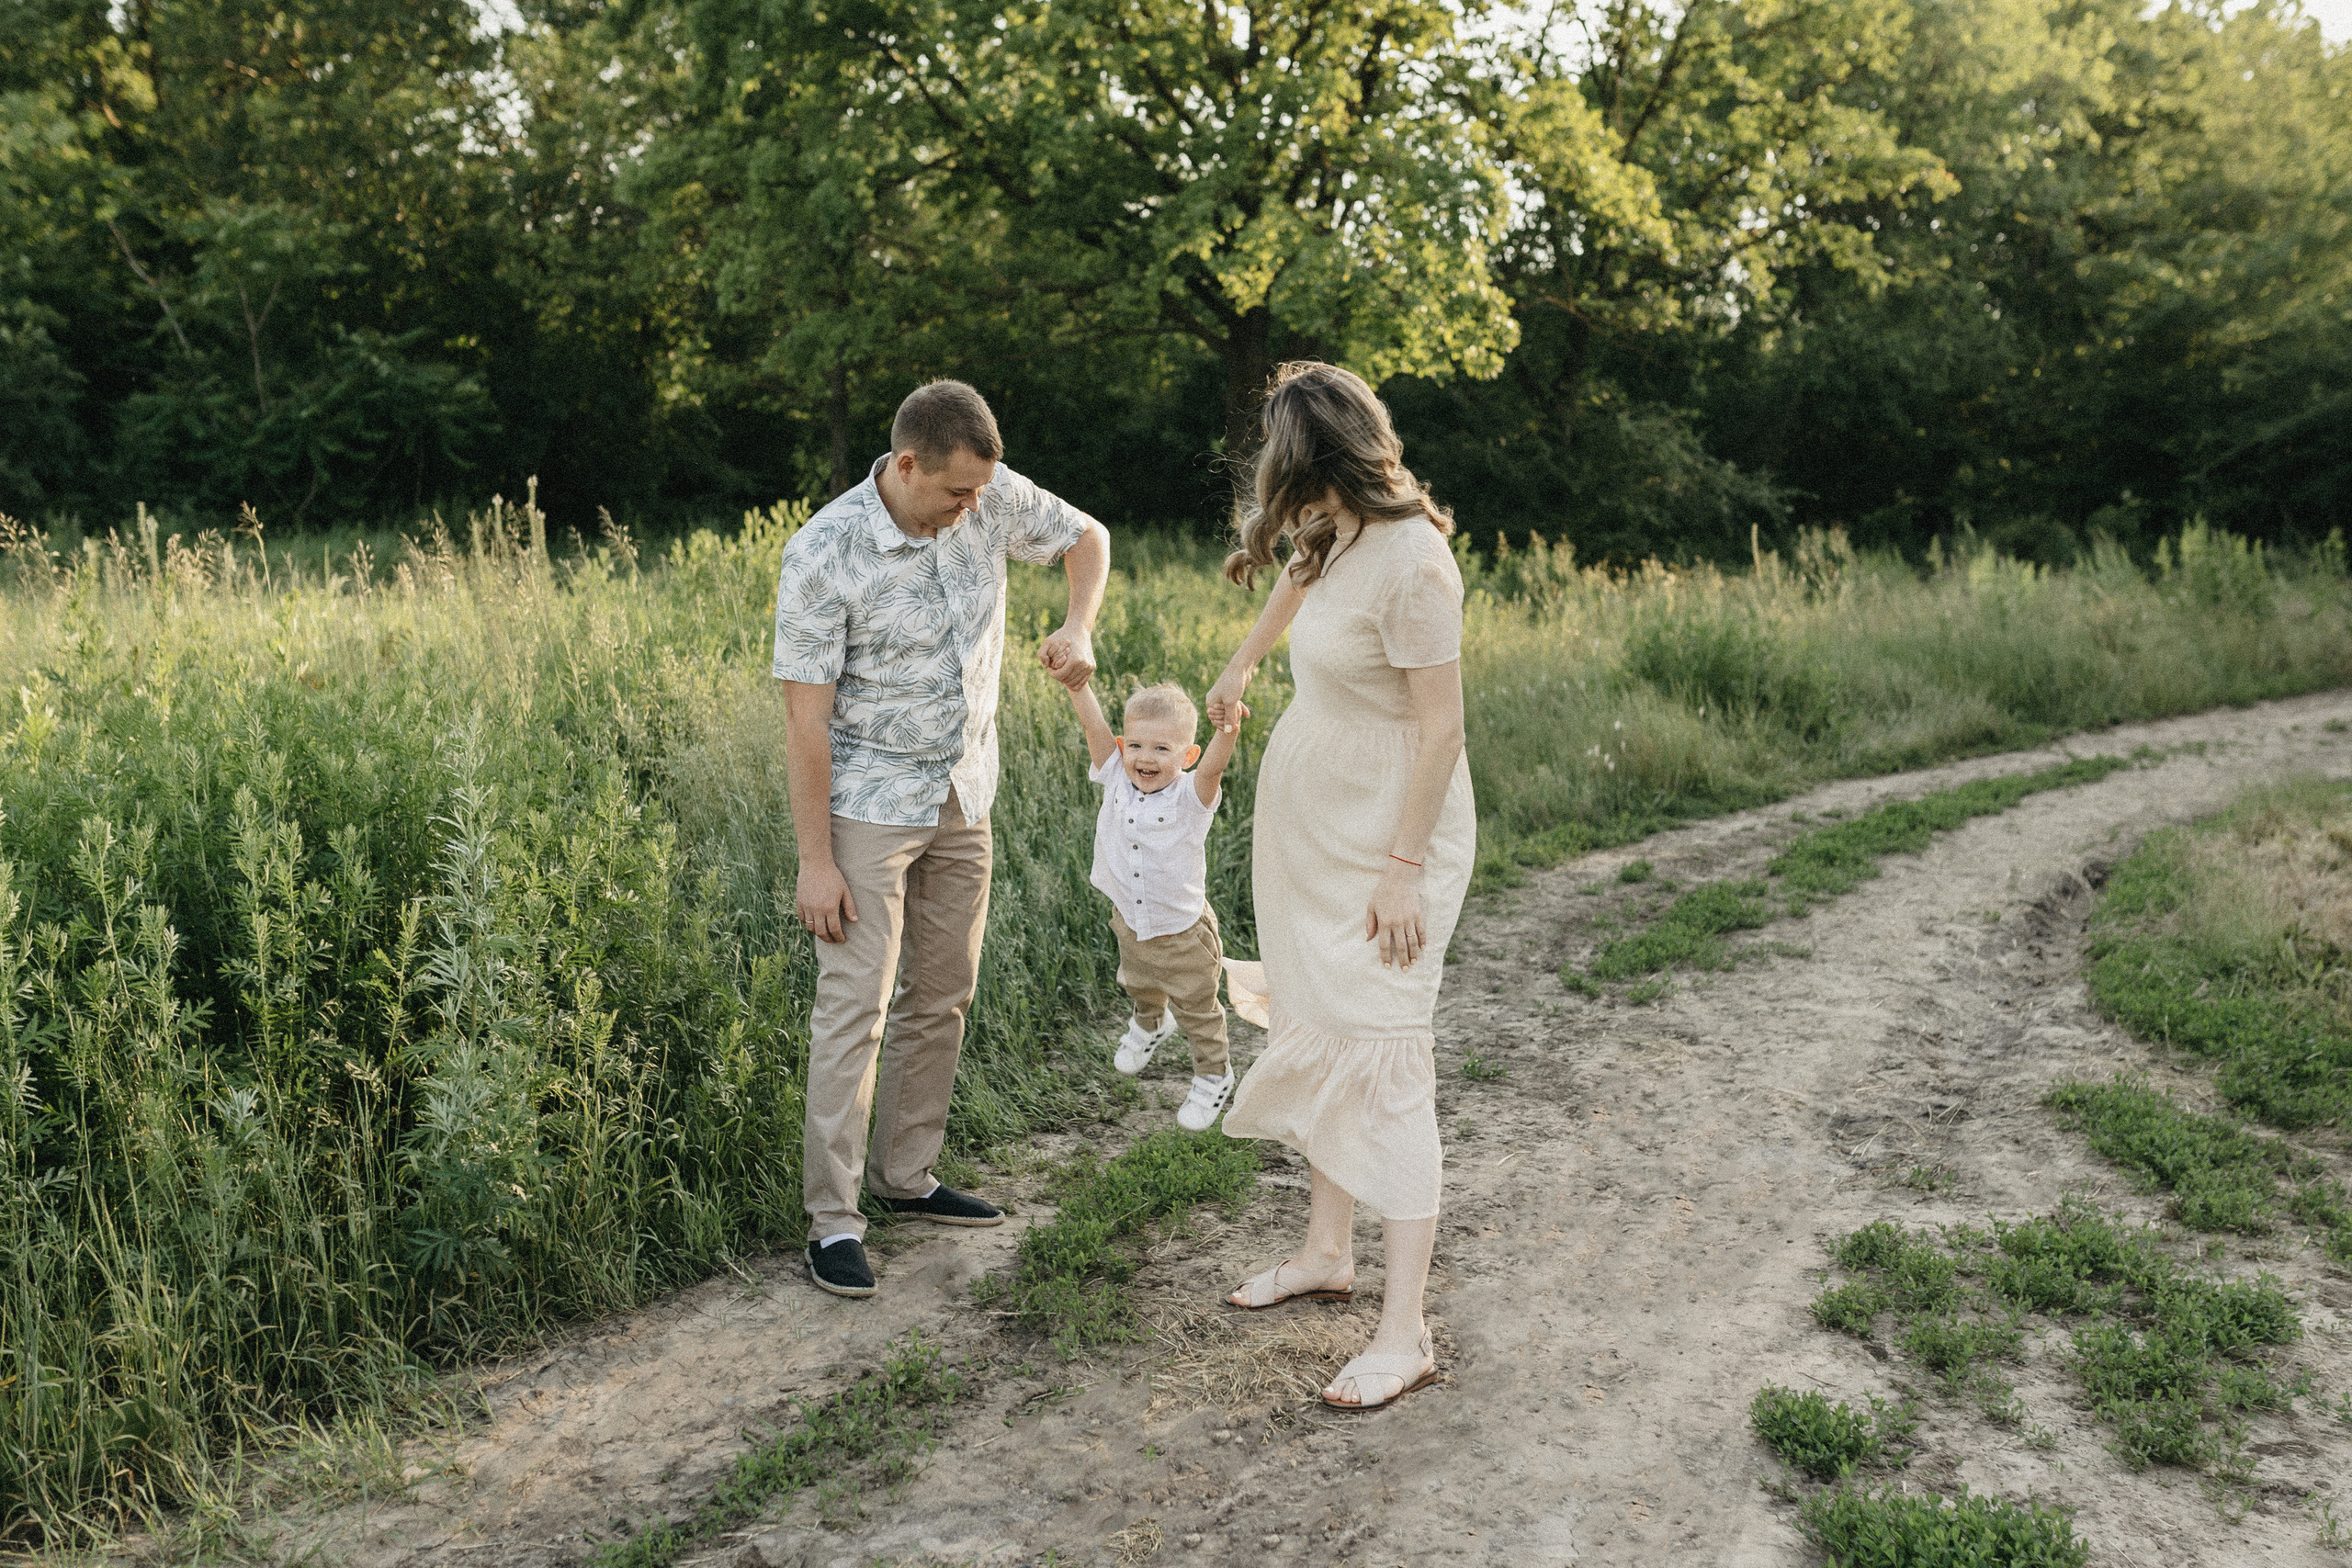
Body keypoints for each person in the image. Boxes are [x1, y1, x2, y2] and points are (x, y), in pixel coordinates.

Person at [774, 378, 1110, 1299]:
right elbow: (806, 722)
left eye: (980, 495)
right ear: (906, 464)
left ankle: (907, 1177)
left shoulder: (985, 493)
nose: (972, 510)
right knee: (856, 1009)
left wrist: (1076, 625)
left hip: (966, 793)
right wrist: (815, 861)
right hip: (868, 810)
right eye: (955, 494)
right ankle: (833, 1223)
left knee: (944, 992)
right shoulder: (821, 555)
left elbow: (1087, 538)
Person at [1204, 362, 1473, 1411]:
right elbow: (1298, 577)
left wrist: (1403, 871)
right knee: (1313, 1020)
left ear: (1310, 460)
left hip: (1390, 838)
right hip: (1310, 827)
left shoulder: (1414, 562)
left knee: (1386, 1053)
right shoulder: (1334, 528)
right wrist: (1241, 662)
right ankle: (1327, 1251)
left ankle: (1404, 1333)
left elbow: (1442, 730)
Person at [1063, 677, 1249, 1130]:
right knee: (1138, 981)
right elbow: (1093, 726)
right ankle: (1150, 1023)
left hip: (1183, 932)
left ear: (1187, 756)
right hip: (1130, 919)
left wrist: (1228, 732)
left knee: (1197, 1009)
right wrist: (1077, 684)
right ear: (1124, 746)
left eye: (1162, 749)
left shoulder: (1191, 796)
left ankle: (1213, 1075)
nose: (1146, 758)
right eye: (1138, 746)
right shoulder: (1117, 778)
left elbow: (1214, 771)